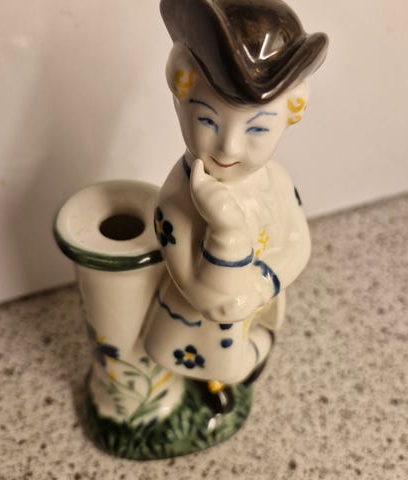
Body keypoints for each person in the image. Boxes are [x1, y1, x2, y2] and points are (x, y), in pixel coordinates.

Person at [143, 0, 328, 411]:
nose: (228, 148)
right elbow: (208, 298)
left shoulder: (276, 182)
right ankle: (216, 377)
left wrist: (261, 285)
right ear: (180, 97)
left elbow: (297, 242)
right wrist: (225, 229)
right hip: (199, 321)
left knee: (238, 352)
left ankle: (254, 352)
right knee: (203, 356)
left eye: (257, 129)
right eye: (208, 121)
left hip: (257, 300)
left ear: (292, 112)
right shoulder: (176, 203)